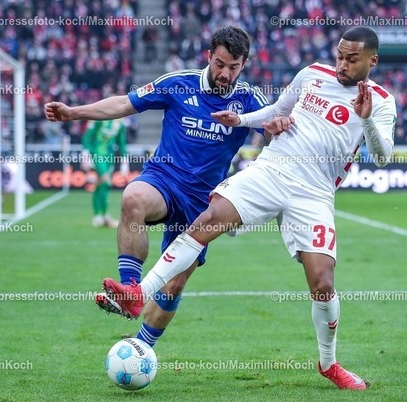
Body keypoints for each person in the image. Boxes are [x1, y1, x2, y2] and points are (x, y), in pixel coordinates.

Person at [101, 27, 396, 390]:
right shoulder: (312, 74)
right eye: (339, 56)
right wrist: (240, 120)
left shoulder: (381, 101)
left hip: (315, 193)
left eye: (351, 59)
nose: (342, 65)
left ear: (372, 60)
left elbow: (382, 157)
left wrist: (366, 118)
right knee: (208, 220)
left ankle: (329, 364)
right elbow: (275, 112)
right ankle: (139, 293)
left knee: (322, 282)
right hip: (271, 169)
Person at [45, 26, 270, 347]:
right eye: (220, 64)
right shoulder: (179, 83)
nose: (225, 73)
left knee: (174, 284)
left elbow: (274, 130)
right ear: (209, 56)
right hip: (164, 180)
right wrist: (74, 113)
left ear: (244, 64)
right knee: (133, 197)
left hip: (203, 203)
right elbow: (125, 104)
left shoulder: (250, 99)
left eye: (233, 67)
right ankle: (130, 289)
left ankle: (140, 348)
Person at [81, 118, 128, 228]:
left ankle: (98, 216)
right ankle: (104, 215)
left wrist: (125, 162)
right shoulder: (99, 119)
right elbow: (87, 137)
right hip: (97, 154)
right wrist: (86, 155)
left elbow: (121, 143)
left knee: (101, 185)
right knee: (105, 181)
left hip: (109, 157)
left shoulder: (120, 123)